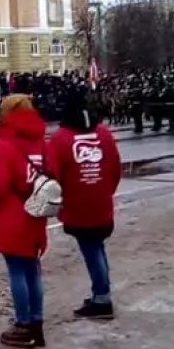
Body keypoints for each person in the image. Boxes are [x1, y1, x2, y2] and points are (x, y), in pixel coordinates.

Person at [48, 88, 122, 319]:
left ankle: (102, 299)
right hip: (101, 202)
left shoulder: (60, 139)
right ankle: (101, 292)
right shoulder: (104, 133)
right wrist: (105, 190)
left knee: (92, 251)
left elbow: (53, 176)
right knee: (97, 248)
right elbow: (116, 169)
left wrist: (58, 204)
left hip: (78, 206)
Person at [0, 94, 48, 349]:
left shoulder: (5, 145)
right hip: (35, 213)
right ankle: (37, 323)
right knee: (33, 271)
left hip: (12, 216)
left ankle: (23, 325)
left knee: (17, 272)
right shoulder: (41, 141)